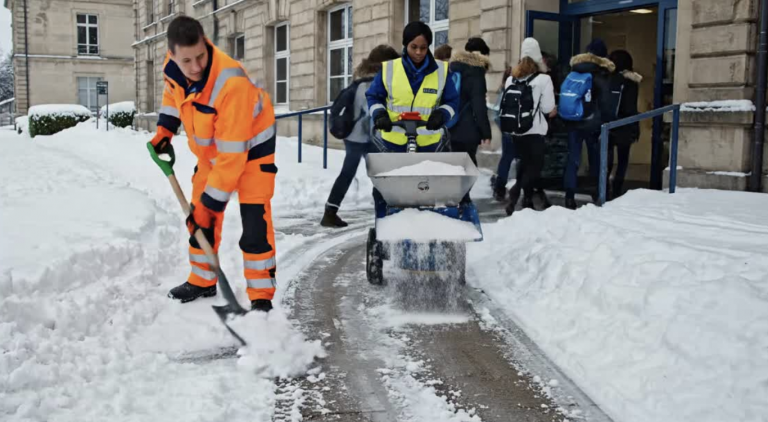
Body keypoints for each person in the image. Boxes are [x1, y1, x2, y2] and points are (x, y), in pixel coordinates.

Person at [149, 16, 277, 312]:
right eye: (186, 61)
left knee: (255, 225)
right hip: (211, 154)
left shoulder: (231, 82)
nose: (195, 67)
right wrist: (165, 131)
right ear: (172, 55)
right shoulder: (173, 69)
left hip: (252, 152)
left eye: (201, 57)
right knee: (200, 218)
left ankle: (261, 298)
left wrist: (211, 206)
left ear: (206, 43)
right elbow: (173, 96)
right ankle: (202, 280)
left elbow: (233, 156)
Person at [321, 45, 401, 228]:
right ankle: (383, 215)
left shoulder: (361, 80)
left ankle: (331, 211)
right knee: (377, 174)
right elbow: (371, 113)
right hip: (365, 137)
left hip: (356, 137)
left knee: (358, 173)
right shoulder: (373, 83)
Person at [366, 21, 460, 154]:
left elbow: (452, 101)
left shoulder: (441, 71)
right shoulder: (389, 69)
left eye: (423, 47)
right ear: (406, 45)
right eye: (413, 47)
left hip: (428, 141)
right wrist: (379, 114)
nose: (418, 52)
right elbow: (373, 96)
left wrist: (442, 114)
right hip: (393, 140)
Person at [503, 37, 557, 216]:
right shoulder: (544, 79)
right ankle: (516, 190)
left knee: (524, 164)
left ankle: (526, 201)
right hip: (534, 132)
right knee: (534, 167)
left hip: (515, 131)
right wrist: (553, 110)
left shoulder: (512, 79)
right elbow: (548, 109)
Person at [562, 39, 615, 210]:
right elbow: (606, 103)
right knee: (595, 160)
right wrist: (608, 122)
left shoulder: (574, 71)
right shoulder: (599, 74)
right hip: (593, 125)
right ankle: (597, 193)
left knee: (573, 159)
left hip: (573, 122)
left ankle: (569, 196)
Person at [448, 38, 492, 203]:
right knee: (469, 166)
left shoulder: (452, 69)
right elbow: (479, 106)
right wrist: (485, 132)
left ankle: (454, 198)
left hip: (449, 125)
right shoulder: (476, 73)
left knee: (454, 164)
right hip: (468, 129)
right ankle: (461, 199)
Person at [606, 49, 641, 200]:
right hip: (625, 123)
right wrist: (635, 126)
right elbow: (631, 106)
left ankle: (604, 187)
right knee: (622, 160)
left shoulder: (607, 78)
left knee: (607, 158)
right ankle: (617, 189)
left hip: (608, 122)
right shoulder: (631, 82)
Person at [492, 65, 516, 201]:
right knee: (508, 157)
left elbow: (496, 113)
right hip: (512, 128)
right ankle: (500, 187)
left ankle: (500, 187)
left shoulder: (504, 90)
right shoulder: (509, 90)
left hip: (507, 127)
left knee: (507, 157)